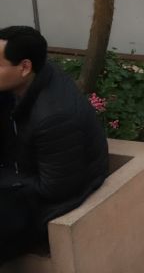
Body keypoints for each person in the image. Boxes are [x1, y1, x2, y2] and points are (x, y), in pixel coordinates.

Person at [0, 27, 108, 262]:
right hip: (24, 178)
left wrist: (7, 180)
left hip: (53, 201)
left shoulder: (54, 115)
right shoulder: (26, 81)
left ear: (25, 67)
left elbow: (55, 189)